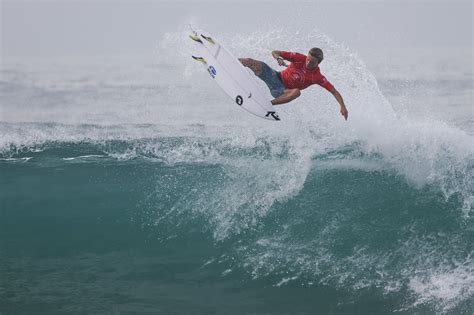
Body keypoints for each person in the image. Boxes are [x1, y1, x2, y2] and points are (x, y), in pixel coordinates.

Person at [239, 48, 349, 120]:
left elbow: (334, 92)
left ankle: (267, 104)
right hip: (274, 77)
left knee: (297, 92)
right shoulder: (299, 58)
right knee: (251, 61)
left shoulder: (317, 77)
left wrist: (342, 106)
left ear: (318, 63)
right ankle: (229, 62)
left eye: (312, 62)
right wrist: (279, 58)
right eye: (308, 59)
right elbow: (275, 52)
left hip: (282, 91)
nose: (308, 63)